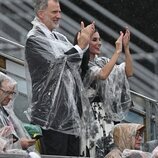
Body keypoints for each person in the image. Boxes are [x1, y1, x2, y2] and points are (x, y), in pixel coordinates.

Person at [24, 0, 95, 156]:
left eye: (60, 12)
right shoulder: (34, 39)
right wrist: (79, 46)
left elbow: (78, 66)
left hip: (69, 114)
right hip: (51, 117)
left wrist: (85, 43)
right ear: (41, 14)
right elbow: (57, 67)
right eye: (54, 12)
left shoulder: (59, 38)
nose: (59, 16)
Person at [74, 28, 133, 157]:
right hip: (90, 117)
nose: (99, 42)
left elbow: (128, 72)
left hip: (106, 116)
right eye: (94, 39)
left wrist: (126, 48)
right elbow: (103, 74)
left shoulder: (102, 61)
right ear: (85, 42)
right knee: (94, 152)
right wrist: (117, 51)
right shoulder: (80, 64)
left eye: (99, 39)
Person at [0, 72, 36, 151]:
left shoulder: (6, 110)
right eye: (7, 92)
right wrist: (20, 144)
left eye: (12, 93)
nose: (10, 97)